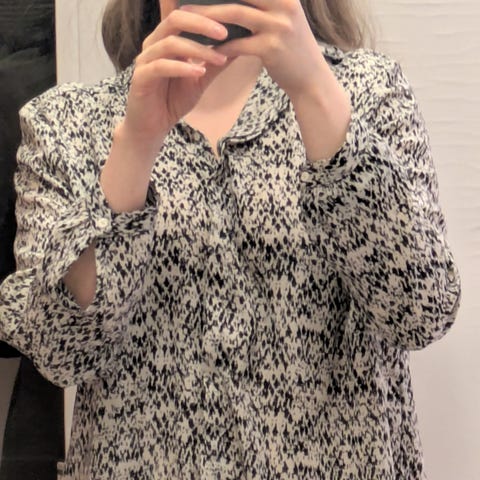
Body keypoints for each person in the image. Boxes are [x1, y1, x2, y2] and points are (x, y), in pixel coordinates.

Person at [0, 0, 461, 477]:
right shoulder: (67, 125)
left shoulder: (367, 92)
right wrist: (136, 144)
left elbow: (421, 313)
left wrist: (314, 90)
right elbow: (60, 353)